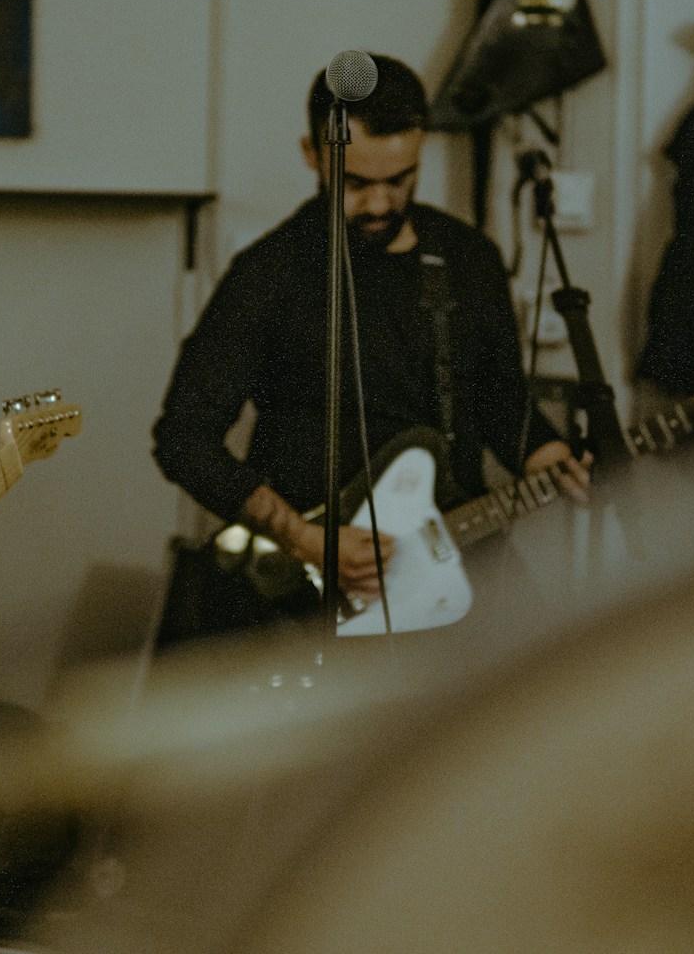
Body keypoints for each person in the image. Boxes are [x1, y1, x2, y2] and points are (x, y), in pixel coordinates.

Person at [152, 54, 589, 615]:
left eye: (400, 179)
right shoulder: (270, 274)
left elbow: (499, 395)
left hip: (461, 562)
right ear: (313, 155)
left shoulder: (467, 257)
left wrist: (545, 453)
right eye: (355, 183)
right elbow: (183, 438)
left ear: (420, 149)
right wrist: (308, 540)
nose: (380, 203)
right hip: (321, 592)